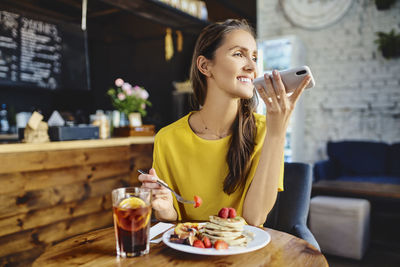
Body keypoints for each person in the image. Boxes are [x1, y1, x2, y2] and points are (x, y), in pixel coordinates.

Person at [139, 19, 311, 226]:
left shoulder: (265, 129)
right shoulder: (168, 139)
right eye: (239, 54)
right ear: (205, 66)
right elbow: (171, 221)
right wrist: (166, 210)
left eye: (254, 57)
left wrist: (277, 133)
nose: (252, 66)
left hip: (243, 253)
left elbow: (254, 219)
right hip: (189, 252)